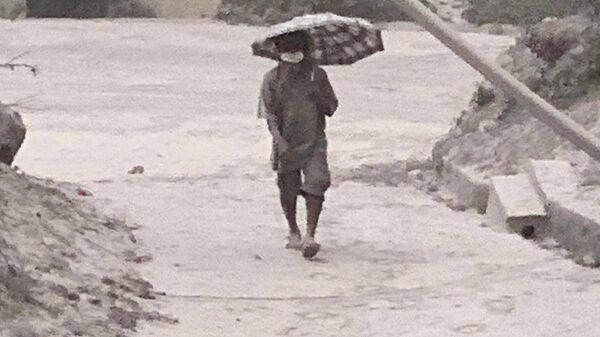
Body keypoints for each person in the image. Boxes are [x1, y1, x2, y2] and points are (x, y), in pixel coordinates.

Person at [258, 30, 338, 259]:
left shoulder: (318, 76)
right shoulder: (272, 79)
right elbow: (269, 114)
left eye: (298, 59)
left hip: (314, 140)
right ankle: (293, 229)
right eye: (288, 60)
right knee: (288, 187)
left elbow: (331, 108)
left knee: (317, 182)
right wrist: (279, 141)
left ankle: (310, 235)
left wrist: (318, 97)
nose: (294, 67)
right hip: (286, 141)